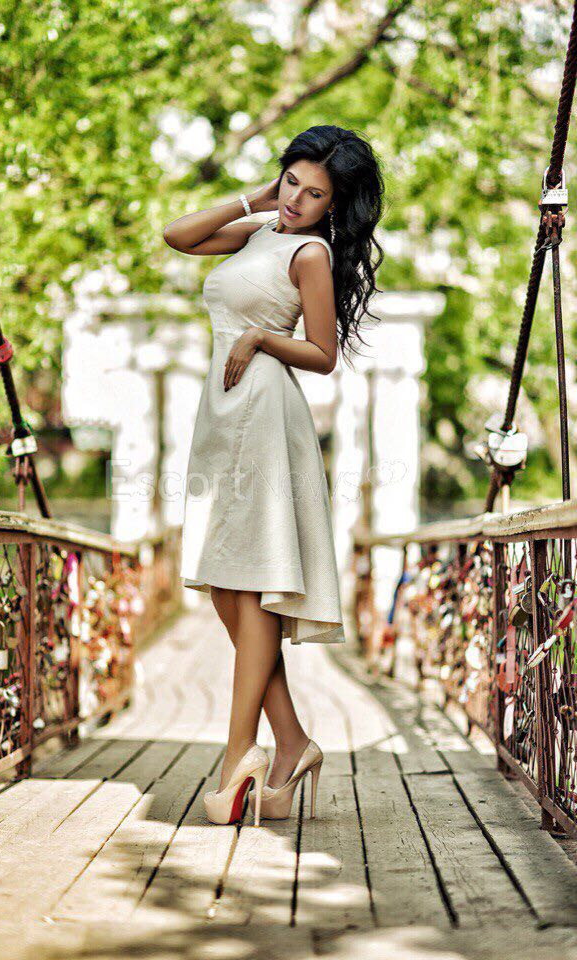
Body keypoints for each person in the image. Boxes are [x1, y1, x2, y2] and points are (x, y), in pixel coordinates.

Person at [163, 125, 384, 826]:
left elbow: (322, 353)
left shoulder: (310, 253)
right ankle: (290, 742)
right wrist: (254, 199)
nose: (296, 199)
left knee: (249, 581)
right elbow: (177, 236)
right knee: (227, 585)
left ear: (333, 206)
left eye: (314, 194)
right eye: (292, 180)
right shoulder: (262, 229)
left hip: (263, 412)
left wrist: (261, 336)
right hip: (221, 414)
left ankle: (239, 755)